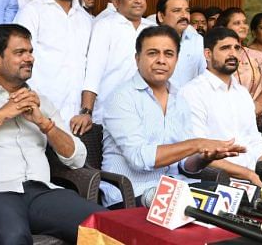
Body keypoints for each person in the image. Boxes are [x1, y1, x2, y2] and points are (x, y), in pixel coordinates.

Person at [0, 24, 105, 245]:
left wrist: (44, 124)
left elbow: (78, 159)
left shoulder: (42, 102)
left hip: (42, 193)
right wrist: (1, 115)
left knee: (105, 226)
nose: (29, 58)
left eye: (30, 52)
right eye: (20, 53)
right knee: (12, 237)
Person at [101, 25, 246, 207]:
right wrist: (197, 144)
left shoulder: (179, 98)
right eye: (153, 53)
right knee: (205, 209)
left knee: (237, 198)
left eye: (169, 54)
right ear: (137, 58)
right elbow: (139, 158)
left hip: (174, 189)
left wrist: (204, 157)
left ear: (176, 60)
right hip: (131, 195)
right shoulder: (121, 98)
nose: (161, 60)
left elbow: (184, 165)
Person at [180, 28, 262, 185]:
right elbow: (197, 152)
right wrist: (249, 175)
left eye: (237, 48)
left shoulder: (241, 93)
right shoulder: (192, 93)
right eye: (225, 48)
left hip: (254, 179)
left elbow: (254, 140)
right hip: (218, 183)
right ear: (208, 54)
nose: (233, 53)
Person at [14, 0, 92, 130]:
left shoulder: (87, 20)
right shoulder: (32, 12)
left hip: (75, 122)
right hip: (37, 117)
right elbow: (17, 60)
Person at [81, 0, 155, 127]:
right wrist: (86, 111)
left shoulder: (153, 29)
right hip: (109, 114)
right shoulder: (105, 26)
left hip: (146, 115)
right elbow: (93, 72)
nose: (138, 0)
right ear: (115, 2)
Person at [215, 8, 262, 118]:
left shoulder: (257, 56)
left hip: (253, 115)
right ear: (224, 27)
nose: (243, 26)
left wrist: (253, 108)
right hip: (224, 114)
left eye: (244, 22)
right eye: (237, 23)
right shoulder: (216, 54)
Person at [156, 0, 206, 87]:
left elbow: (204, 76)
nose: (184, 15)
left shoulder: (197, 41)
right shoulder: (149, 42)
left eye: (187, 10)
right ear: (161, 16)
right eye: (177, 11)